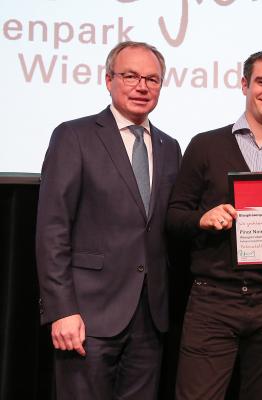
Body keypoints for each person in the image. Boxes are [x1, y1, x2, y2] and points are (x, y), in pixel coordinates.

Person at [167, 50, 262, 400]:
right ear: (244, 85)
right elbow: (174, 217)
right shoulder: (205, 145)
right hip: (212, 300)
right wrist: (200, 219)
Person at [35, 41, 181, 400]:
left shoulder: (169, 146)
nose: (142, 86)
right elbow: (53, 229)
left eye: (152, 79)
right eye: (130, 76)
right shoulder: (74, 136)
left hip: (150, 318)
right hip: (87, 315)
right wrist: (62, 309)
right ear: (108, 79)